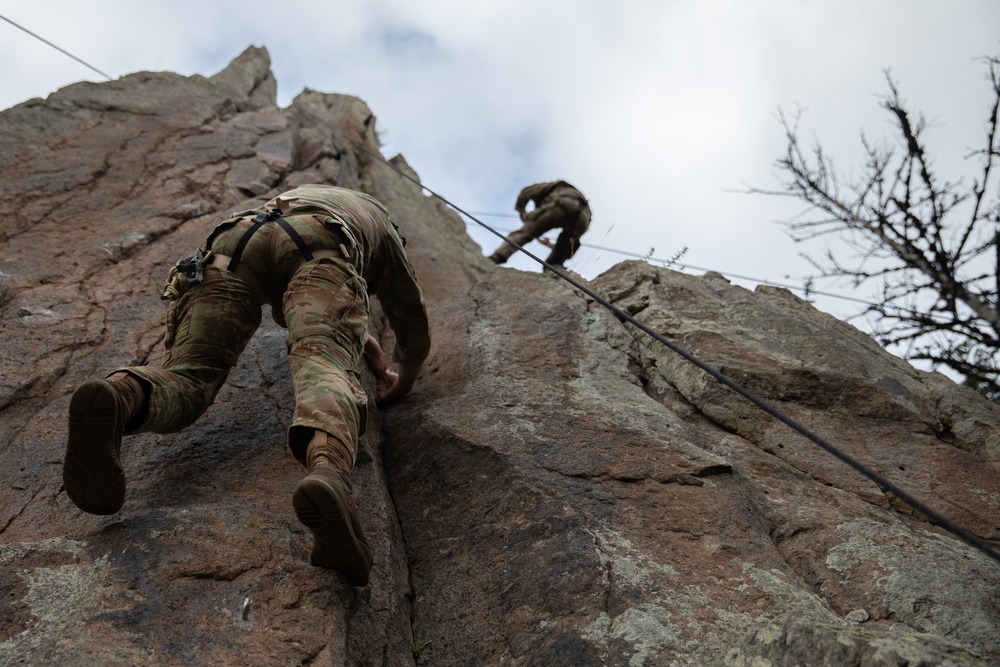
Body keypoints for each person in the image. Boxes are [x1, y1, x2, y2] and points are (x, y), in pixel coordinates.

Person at [62, 184, 430, 587]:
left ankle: (120, 395)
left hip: (236, 242)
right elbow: (407, 308)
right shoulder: (382, 225)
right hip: (324, 243)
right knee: (323, 363)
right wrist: (405, 374)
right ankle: (328, 475)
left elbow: (301, 304)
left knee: (189, 376)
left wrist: (375, 360)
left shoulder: (305, 195)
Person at [488, 180, 591, 268]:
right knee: (568, 241)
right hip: (584, 219)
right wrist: (549, 244)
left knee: (526, 232)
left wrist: (521, 210)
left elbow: (526, 192)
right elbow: (566, 246)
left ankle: (496, 257)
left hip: (563, 204)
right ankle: (554, 268)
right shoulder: (575, 194)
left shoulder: (555, 186)